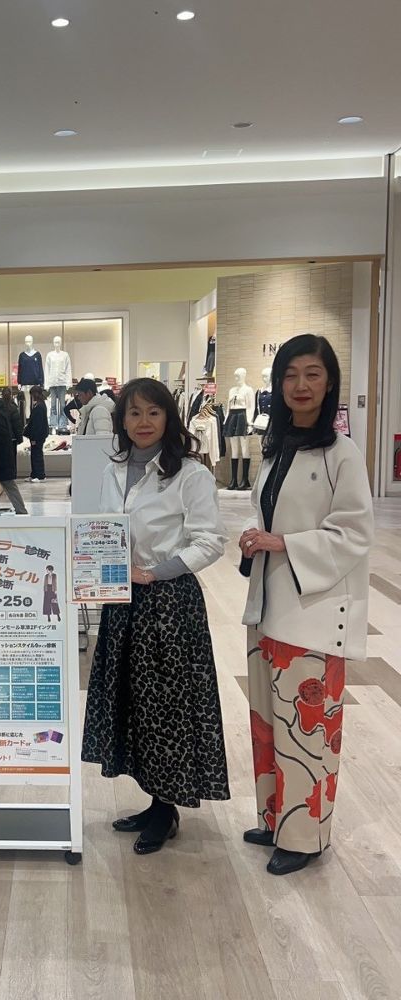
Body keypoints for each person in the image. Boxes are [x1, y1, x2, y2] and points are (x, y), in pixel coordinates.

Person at [238, 334, 373, 876]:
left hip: (315, 612)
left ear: (329, 382)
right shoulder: (277, 448)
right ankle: (276, 819)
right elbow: (273, 515)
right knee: (270, 724)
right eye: (290, 375)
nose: (300, 385)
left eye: (312, 374)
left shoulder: (342, 453)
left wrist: (283, 543)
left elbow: (354, 532)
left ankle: (306, 835)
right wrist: (259, 537)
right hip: (270, 605)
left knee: (308, 732)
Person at [82, 377, 230, 854]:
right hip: (122, 601)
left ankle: (166, 809)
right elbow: (101, 530)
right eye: (134, 413)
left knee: (167, 705)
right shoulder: (113, 470)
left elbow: (210, 541)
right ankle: (154, 800)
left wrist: (153, 572)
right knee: (133, 701)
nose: (143, 422)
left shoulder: (189, 474)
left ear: (169, 417)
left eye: (153, 412)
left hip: (168, 603)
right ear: (121, 421)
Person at [24, 385, 49, 482]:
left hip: (38, 435)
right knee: (34, 454)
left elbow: (37, 424)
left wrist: (34, 437)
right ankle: (34, 474)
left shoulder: (39, 406)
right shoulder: (39, 405)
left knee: (37, 455)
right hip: (37, 434)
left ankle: (40, 475)